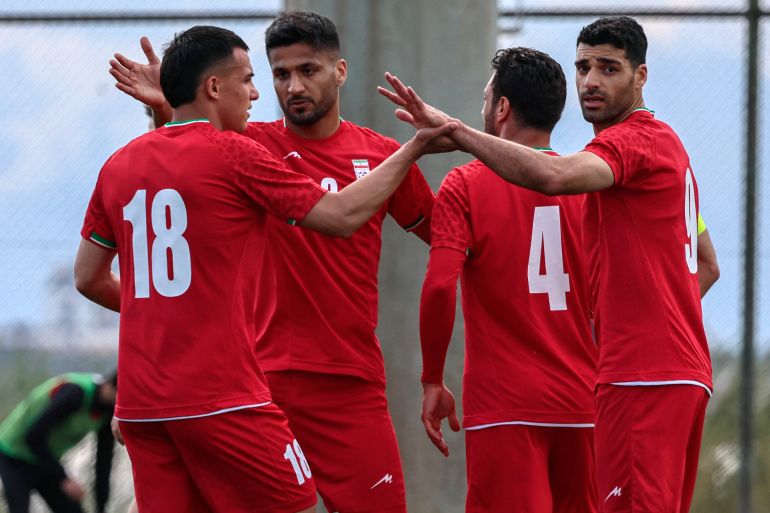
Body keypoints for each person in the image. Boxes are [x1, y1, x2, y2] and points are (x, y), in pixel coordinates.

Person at [75, 25, 451, 513]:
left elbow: (449, 240)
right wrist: (165, 108)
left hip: (344, 381)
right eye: (276, 75)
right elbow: (186, 159)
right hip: (252, 382)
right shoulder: (244, 147)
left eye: (307, 71)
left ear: (340, 72)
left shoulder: (378, 155)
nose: (288, 87)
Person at [381, 15, 714, 513]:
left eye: (608, 68)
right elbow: (706, 265)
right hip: (626, 388)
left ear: (641, 77)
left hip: (617, 384)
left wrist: (455, 133)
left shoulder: (614, 152)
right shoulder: (654, 153)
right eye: (583, 67)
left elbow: (547, 179)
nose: (591, 80)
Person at [419, 47, 598, 513]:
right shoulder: (589, 187)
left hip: (506, 408)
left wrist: (432, 379)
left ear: (501, 108)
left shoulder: (465, 183)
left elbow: (440, 286)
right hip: (587, 403)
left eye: (486, 97)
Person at [0, 372, 116, 513]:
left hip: (44, 460)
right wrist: (63, 479)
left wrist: (101, 507)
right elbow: (33, 436)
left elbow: (103, 461)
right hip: (13, 455)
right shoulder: (75, 393)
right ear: (109, 385)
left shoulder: (109, 411)